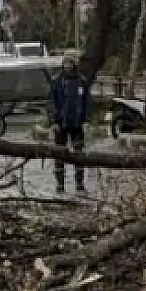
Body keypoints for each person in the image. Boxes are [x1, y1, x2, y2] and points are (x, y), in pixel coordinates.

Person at [47, 56, 92, 195]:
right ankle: (60, 185)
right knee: (59, 154)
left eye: (70, 63)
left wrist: (86, 120)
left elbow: (87, 102)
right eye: (65, 63)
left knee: (79, 154)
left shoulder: (81, 81)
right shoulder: (56, 81)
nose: (67, 66)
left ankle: (80, 184)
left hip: (77, 123)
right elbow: (50, 102)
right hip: (61, 123)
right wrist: (54, 121)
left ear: (74, 64)